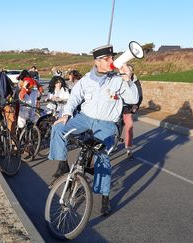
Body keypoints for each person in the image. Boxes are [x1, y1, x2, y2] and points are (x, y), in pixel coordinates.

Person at [48, 44, 139, 215]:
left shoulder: (117, 79)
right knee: (58, 128)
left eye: (112, 58)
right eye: (108, 59)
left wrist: (128, 79)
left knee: (102, 158)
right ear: (98, 61)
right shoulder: (87, 79)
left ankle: (104, 196)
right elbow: (75, 97)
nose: (112, 61)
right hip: (84, 119)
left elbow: (133, 98)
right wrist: (67, 114)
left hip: (106, 124)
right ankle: (63, 165)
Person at [121, 64, 143, 158]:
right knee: (112, 127)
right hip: (116, 107)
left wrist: (136, 105)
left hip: (128, 108)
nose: (128, 73)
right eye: (126, 71)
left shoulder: (135, 81)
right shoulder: (118, 78)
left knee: (129, 126)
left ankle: (128, 148)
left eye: (129, 71)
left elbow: (140, 94)